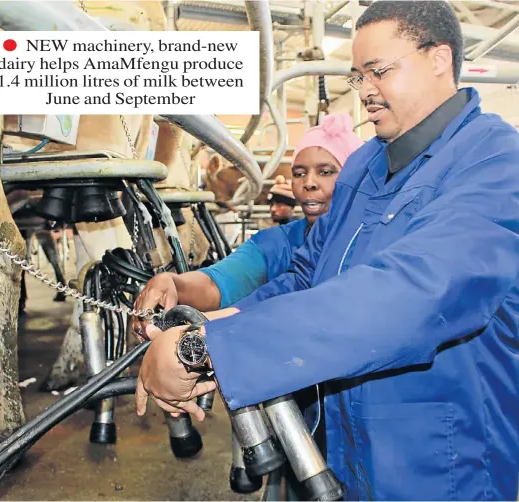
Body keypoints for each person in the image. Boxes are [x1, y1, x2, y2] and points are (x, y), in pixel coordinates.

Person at [136, 2, 519, 500]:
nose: (365, 92)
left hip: (443, 465)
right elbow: (304, 276)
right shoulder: (363, 165)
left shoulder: (496, 161)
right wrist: (213, 327)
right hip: (342, 452)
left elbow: (416, 292)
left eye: (379, 71)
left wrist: (206, 350)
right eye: (358, 76)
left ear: (439, 59)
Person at [131, 113, 363, 317]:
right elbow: (217, 282)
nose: (309, 183)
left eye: (326, 172)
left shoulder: (375, 241)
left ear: (353, 177)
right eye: (299, 173)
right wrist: (173, 283)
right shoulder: (276, 243)